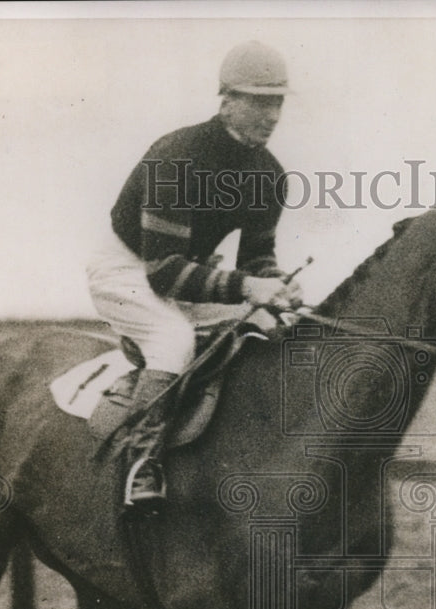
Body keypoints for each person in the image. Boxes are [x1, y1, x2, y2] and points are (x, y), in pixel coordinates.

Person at [87, 40, 302, 510]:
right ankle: (140, 464)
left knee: (270, 326)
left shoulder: (270, 174)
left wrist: (277, 283)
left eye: (278, 101)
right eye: (260, 101)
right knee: (174, 340)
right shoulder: (177, 157)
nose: (272, 114)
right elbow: (163, 272)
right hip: (126, 266)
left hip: (185, 269)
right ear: (226, 101)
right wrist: (249, 287)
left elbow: (256, 258)